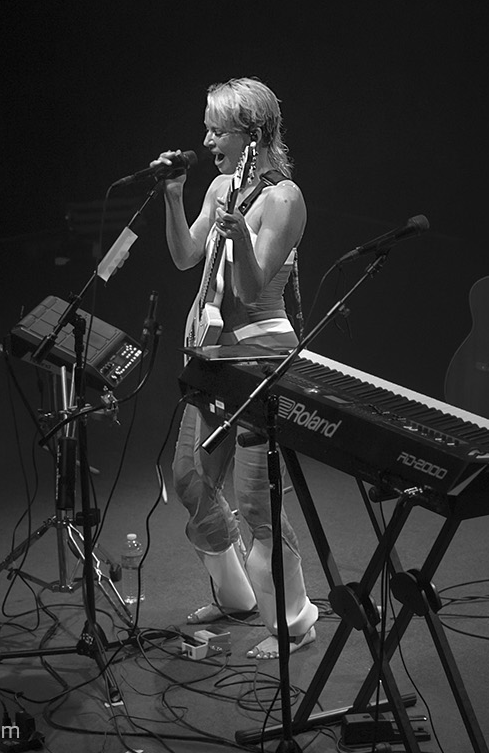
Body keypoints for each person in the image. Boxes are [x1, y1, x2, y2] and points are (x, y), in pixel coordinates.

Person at [153, 76, 320, 659]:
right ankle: (237, 598)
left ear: (252, 133)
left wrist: (240, 240)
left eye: (215, 130)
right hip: (212, 355)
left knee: (256, 502)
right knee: (189, 477)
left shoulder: (284, 198)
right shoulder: (222, 186)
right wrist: (174, 196)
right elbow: (185, 256)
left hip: (259, 359)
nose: (206, 141)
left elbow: (251, 289)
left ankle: (295, 622)